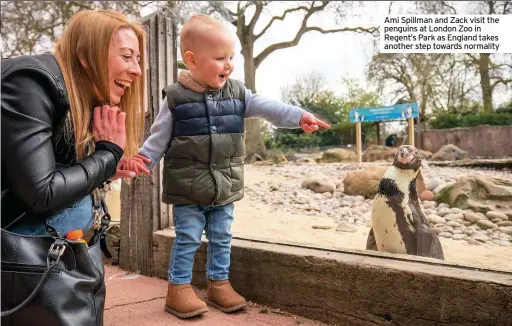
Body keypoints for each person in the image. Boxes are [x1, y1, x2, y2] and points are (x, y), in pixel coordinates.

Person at [122, 14, 330, 319]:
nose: (229, 64)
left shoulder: (237, 93)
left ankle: (219, 284)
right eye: (220, 58)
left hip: (225, 184)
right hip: (188, 188)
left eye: (231, 56)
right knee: (188, 237)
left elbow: (269, 107)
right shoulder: (176, 98)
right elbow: (158, 138)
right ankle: (178, 289)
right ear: (192, 61)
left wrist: (299, 116)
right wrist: (142, 161)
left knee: (222, 236)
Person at [1, 10, 147, 238]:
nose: (137, 70)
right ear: (86, 56)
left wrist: (104, 171)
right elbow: (43, 195)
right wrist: (107, 154)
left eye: (138, 60)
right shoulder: (30, 82)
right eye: (126, 57)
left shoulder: (70, 97)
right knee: (79, 209)